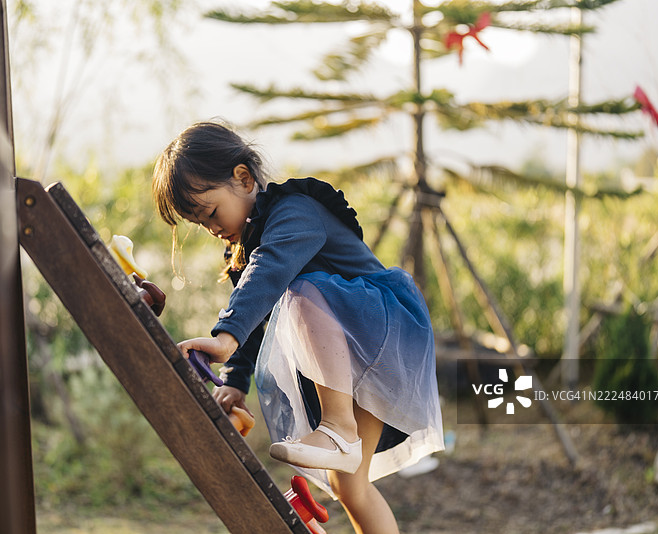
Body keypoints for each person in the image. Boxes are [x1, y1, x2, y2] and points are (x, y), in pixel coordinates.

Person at [152, 120, 443, 534]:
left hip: (384, 332)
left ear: (243, 177)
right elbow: (257, 315)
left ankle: (339, 428)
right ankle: (340, 435)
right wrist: (235, 378)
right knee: (351, 487)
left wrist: (224, 337)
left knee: (302, 289)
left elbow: (269, 274)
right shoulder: (248, 250)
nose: (212, 228)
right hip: (356, 354)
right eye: (200, 223)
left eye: (211, 212)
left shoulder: (295, 212)